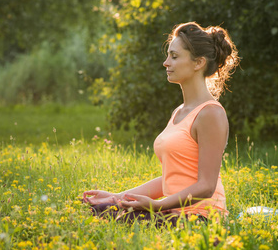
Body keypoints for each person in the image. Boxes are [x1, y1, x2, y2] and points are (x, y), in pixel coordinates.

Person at [82, 22, 240, 226]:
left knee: (106, 214)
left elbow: (206, 186)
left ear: (198, 63)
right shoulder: (179, 112)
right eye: (168, 56)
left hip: (201, 218)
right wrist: (117, 196)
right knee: (97, 206)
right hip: (172, 212)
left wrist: (157, 206)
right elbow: (170, 179)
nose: (166, 63)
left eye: (174, 56)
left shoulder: (211, 113)